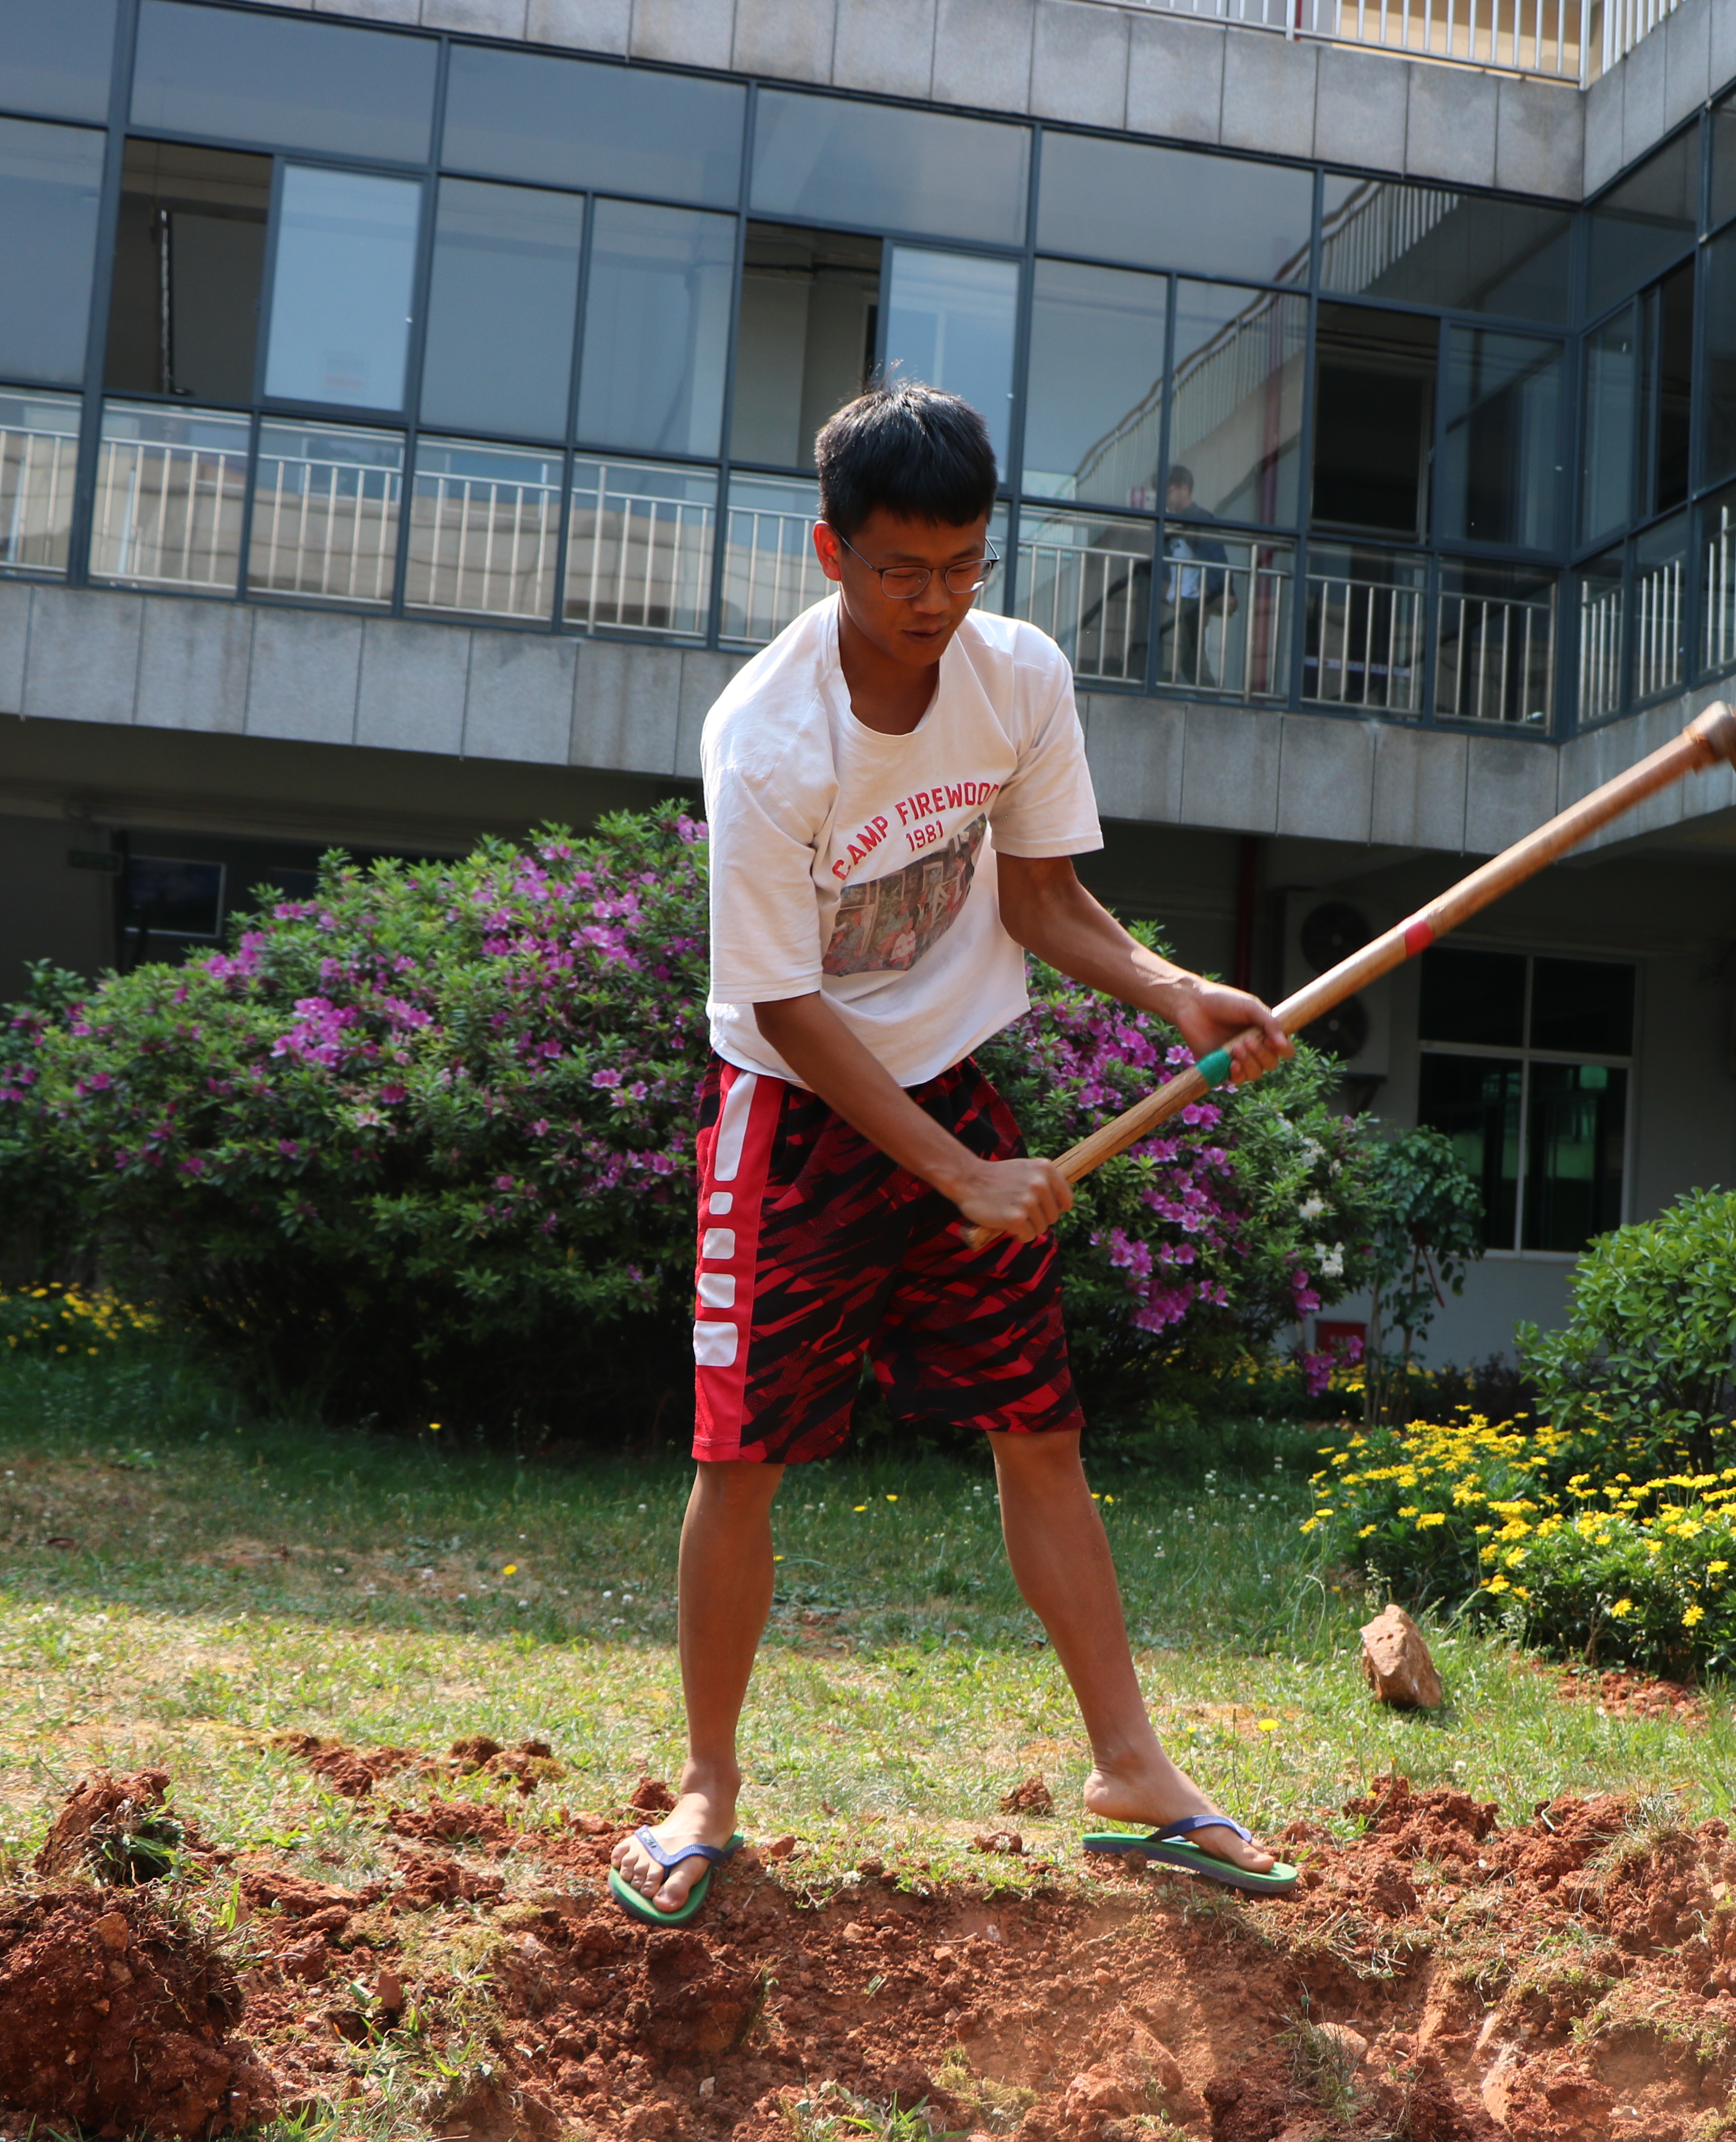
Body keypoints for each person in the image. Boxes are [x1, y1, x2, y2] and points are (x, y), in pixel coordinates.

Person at [608, 383, 1295, 1923]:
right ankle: (707, 1790)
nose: (936, 601)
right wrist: (954, 1174)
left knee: (1038, 1425)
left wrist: (1178, 995)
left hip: (949, 1080)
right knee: (741, 1454)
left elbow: (1044, 900)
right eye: (903, 570)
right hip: (790, 1114)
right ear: (830, 553)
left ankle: (1133, 1771)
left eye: (966, 564)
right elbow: (784, 1006)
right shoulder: (769, 738)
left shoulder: (1017, 677)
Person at [1158, 464, 1232, 691]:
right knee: (1181, 656)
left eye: (1169, 492)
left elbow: (1216, 558)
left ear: (1184, 489)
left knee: (1190, 659)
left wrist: (1222, 592)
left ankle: (1211, 701)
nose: (1166, 499)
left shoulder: (1198, 518)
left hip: (1192, 600)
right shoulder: (1171, 522)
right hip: (1176, 599)